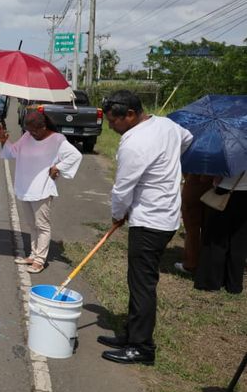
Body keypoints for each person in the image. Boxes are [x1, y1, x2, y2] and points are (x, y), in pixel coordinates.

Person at [99, 90, 193, 365]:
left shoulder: (134, 143)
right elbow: (187, 140)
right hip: (165, 218)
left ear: (130, 114)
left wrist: (118, 214)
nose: (110, 127)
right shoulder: (166, 125)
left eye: (113, 122)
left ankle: (141, 347)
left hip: (150, 221)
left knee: (142, 284)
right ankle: (130, 334)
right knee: (137, 280)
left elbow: (122, 189)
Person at [0, 111, 82, 274]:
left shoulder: (57, 139)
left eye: (35, 130)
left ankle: (40, 260)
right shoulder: (28, 136)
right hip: (25, 186)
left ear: (44, 127)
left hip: (42, 188)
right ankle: (33, 254)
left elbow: (75, 156)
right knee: (31, 224)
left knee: (42, 225)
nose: (32, 133)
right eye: (29, 130)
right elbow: (13, 152)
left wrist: (58, 167)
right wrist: (3, 141)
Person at [194, 171, 246, 294]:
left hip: (225, 190)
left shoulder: (230, 151)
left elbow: (219, 173)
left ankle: (211, 281)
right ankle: (234, 284)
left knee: (216, 239)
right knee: (240, 242)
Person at [175, 174, 213, 275]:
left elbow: (186, 169)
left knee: (192, 229)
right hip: (214, 189)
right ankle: (206, 262)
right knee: (209, 229)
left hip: (194, 187)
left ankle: (191, 264)